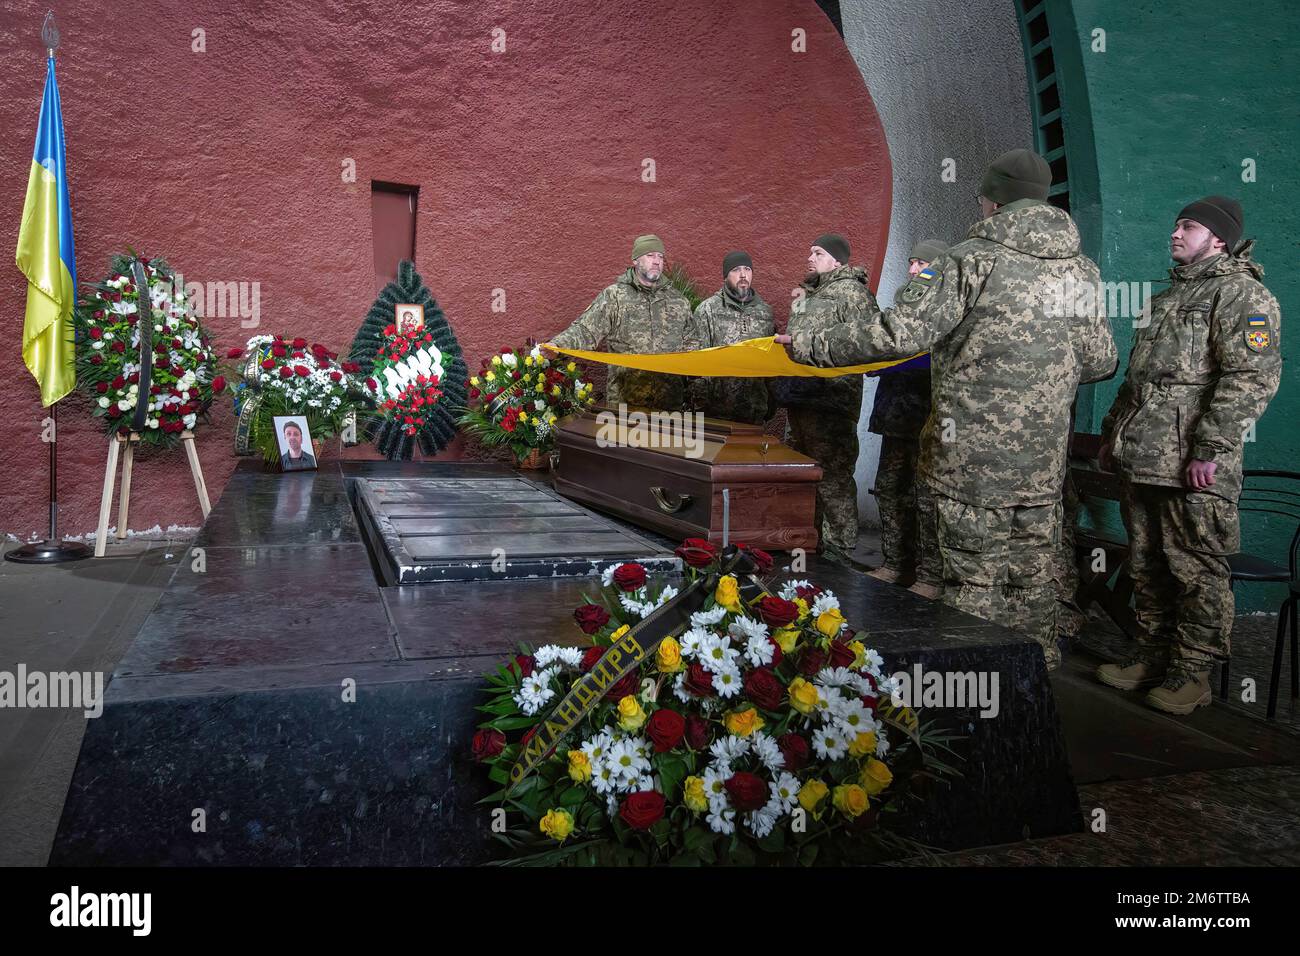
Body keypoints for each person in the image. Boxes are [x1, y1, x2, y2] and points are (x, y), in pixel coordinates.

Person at [783, 150, 1117, 670]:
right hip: (1042, 464)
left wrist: (808, 346)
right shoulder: (1082, 271)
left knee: (973, 579)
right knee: (1031, 575)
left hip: (972, 461)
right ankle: (1032, 683)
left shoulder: (971, 259)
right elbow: (1099, 361)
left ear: (992, 198)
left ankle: (973, 694)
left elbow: (900, 334)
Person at [1096, 196, 1282, 714]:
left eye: (1190, 226)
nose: (1175, 233)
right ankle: (1151, 655)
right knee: (1147, 564)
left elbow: (1250, 380)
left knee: (1196, 568)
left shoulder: (1244, 296)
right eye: (1176, 223)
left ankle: (1191, 672)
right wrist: (1113, 437)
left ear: (1219, 239)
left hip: (1193, 465)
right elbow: (1137, 382)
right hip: (1145, 457)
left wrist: (1211, 450)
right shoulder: (1163, 301)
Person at [779, 234, 873, 565]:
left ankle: (841, 553)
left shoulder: (853, 294)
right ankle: (810, 545)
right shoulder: (808, 293)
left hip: (832, 400)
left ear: (837, 261)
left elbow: (868, 340)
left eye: (817, 252)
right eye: (810, 251)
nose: (810, 257)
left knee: (833, 479)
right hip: (801, 399)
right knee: (805, 477)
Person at [867, 239, 946, 598]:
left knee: (926, 498)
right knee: (889, 489)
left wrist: (895, 359)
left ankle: (930, 576)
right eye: (912, 263)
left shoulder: (946, 309)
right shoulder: (902, 308)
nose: (913, 269)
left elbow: (935, 357)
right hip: (894, 418)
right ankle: (895, 563)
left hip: (928, 423)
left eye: (922, 264)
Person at [549, 234, 694, 410]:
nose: (656, 261)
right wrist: (556, 346)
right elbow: (585, 330)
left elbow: (693, 349)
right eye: (650, 255)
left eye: (660, 256)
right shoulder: (614, 296)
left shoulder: (679, 302)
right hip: (625, 404)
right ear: (635, 260)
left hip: (670, 405)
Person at [689, 250, 776, 424]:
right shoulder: (708, 310)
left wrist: (771, 400)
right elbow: (696, 362)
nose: (743, 275)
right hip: (716, 412)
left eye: (747, 269)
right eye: (736, 270)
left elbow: (771, 362)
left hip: (755, 410)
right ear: (725, 276)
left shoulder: (765, 312)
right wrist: (699, 403)